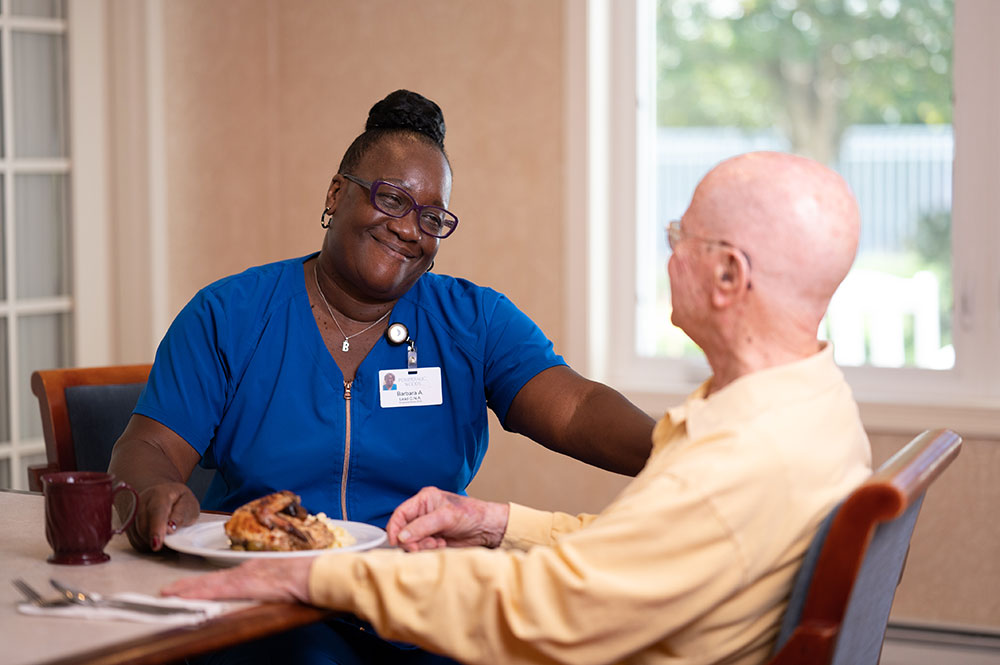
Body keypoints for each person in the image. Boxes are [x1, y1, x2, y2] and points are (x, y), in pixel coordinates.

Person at [163, 151, 874, 665]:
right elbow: (642, 546)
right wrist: (498, 522)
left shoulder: (735, 460)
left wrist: (316, 573)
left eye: (676, 238)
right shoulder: (811, 409)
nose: (669, 258)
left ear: (727, 275)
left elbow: (545, 606)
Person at [110, 89, 654, 663]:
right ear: (336, 193)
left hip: (419, 605)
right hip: (269, 608)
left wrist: (686, 448)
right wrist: (154, 491)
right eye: (392, 199)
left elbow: (575, 407)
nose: (410, 229)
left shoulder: (473, 320)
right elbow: (148, 444)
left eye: (432, 217)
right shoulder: (230, 314)